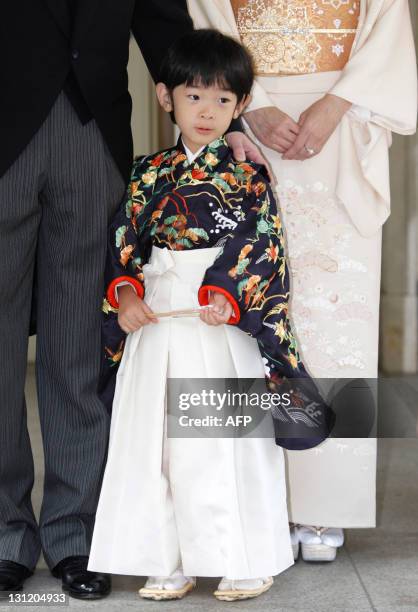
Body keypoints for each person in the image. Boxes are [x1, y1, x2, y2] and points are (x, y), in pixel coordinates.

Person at [87, 29, 333, 602]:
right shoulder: (148, 173)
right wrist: (125, 295)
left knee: (225, 443)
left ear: (242, 106)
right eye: (194, 96)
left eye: (224, 99)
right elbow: (124, 241)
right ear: (165, 95)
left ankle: (243, 556)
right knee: (157, 446)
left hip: (219, 322)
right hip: (157, 322)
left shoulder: (247, 176)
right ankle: (166, 555)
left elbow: (260, 241)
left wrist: (229, 291)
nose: (208, 111)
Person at [186, 0, 417, 562]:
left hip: (339, 118)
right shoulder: (245, 110)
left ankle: (325, 505)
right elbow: (206, 18)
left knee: (338, 320)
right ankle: (250, 498)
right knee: (246, 309)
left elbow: (387, 24)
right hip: (246, 124)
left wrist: (336, 104)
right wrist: (250, 105)